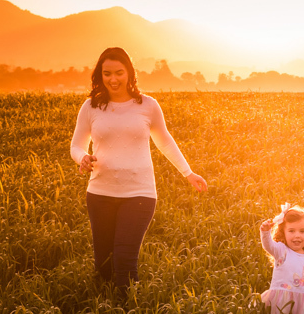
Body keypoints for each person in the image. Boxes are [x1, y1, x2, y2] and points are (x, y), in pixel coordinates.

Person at [70, 46, 207, 293]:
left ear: (130, 73)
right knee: (103, 264)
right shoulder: (90, 107)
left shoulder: (148, 105)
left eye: (119, 72)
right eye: (107, 73)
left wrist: (188, 172)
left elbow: (164, 141)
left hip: (139, 194)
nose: (113, 79)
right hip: (100, 193)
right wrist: (82, 157)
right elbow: (76, 145)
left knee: (124, 260)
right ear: (100, 75)